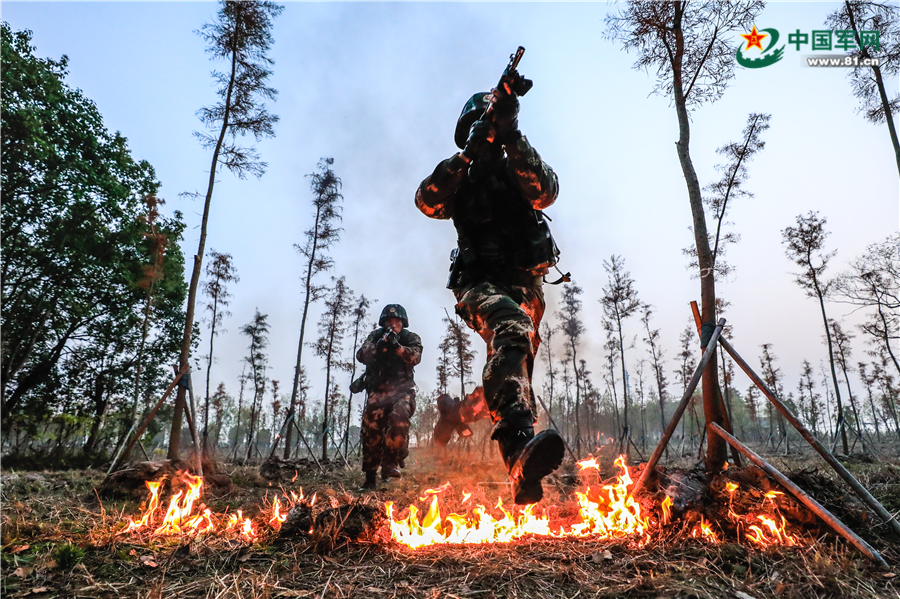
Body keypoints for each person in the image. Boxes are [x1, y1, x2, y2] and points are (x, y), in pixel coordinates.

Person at [415, 80, 565, 505]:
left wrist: (513, 133)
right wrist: (465, 158)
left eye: (495, 125)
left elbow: (546, 191)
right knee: (513, 332)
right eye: (486, 127)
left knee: (514, 374)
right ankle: (519, 450)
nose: (492, 135)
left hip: (525, 285)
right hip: (479, 284)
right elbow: (426, 201)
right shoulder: (459, 176)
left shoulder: (517, 165)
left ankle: (489, 438)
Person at [355, 304, 423, 490]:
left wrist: (397, 347)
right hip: (378, 392)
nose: (392, 325)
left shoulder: (410, 338)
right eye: (389, 322)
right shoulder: (375, 336)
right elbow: (361, 355)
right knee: (371, 430)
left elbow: (415, 358)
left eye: (396, 322)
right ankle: (370, 478)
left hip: (402, 391)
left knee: (399, 418)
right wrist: (377, 347)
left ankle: (391, 463)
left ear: (403, 323)